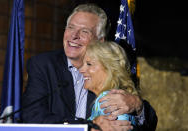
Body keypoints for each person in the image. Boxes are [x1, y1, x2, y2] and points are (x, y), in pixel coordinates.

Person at [22, 3, 157, 131]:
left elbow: (149, 124)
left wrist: (137, 105)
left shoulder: (110, 68)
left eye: (84, 31)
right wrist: (88, 127)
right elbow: (32, 117)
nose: (74, 36)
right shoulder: (43, 65)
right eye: (71, 27)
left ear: (100, 41)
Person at [79, 41, 138, 130]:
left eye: (89, 64)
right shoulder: (114, 97)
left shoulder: (108, 100)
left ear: (109, 68)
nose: (81, 70)